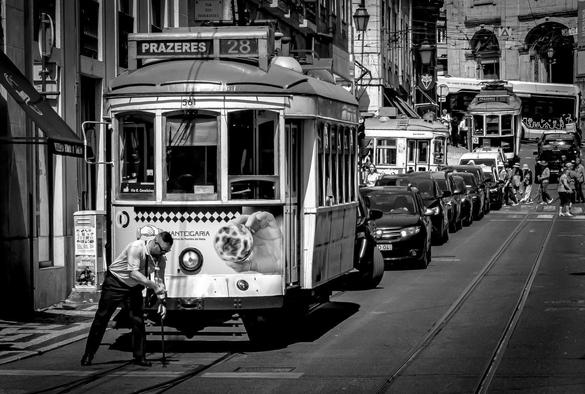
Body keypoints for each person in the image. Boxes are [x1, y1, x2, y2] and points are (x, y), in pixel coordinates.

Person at [81, 231, 173, 367]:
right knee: (102, 318)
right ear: (155, 242)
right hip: (116, 283)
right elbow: (133, 273)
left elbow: (160, 279)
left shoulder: (160, 258)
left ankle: (139, 357)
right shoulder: (136, 248)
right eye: (163, 250)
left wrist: (162, 301)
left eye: (166, 251)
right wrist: (152, 285)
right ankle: (88, 354)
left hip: (133, 287)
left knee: (138, 320)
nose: (163, 253)